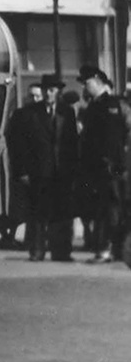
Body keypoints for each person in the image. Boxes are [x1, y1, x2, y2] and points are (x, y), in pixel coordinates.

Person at [75, 65, 126, 263]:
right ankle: (108, 248)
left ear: (98, 81)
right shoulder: (94, 106)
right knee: (102, 208)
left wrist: (118, 161)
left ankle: (109, 248)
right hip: (96, 168)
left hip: (112, 168)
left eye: (87, 83)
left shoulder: (116, 104)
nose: (85, 88)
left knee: (111, 208)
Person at [6, 79, 56, 261]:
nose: (35, 98)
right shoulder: (21, 115)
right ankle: (36, 249)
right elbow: (16, 145)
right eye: (32, 95)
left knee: (50, 211)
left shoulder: (52, 112)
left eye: (38, 95)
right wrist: (21, 171)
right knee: (35, 213)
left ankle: (55, 248)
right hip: (34, 171)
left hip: (53, 171)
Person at [44, 76, 81, 262]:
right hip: (46, 170)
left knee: (65, 212)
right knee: (50, 211)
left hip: (64, 170)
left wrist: (73, 168)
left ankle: (64, 251)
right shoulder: (38, 112)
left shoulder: (67, 112)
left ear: (58, 93)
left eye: (51, 90)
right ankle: (50, 248)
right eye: (46, 90)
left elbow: (72, 142)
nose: (48, 94)